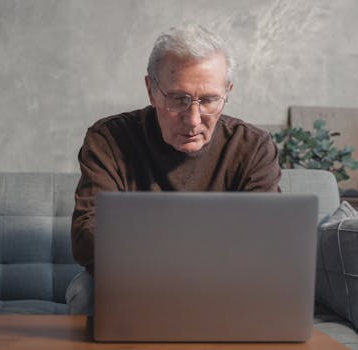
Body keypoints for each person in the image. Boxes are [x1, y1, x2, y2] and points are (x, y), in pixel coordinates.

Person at [65, 23, 281, 314]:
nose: (193, 120)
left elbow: (266, 240)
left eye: (208, 100)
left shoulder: (253, 146)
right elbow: (86, 235)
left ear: (227, 92)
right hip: (130, 285)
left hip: (225, 286)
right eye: (178, 99)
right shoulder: (109, 139)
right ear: (151, 91)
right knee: (86, 291)